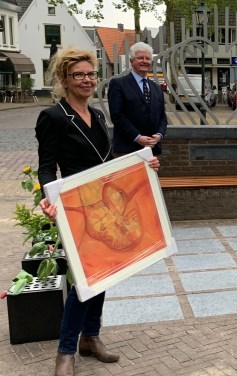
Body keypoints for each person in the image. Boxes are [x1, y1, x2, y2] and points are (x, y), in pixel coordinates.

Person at [36, 47, 160, 376]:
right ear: (64, 79)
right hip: (76, 209)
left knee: (104, 275)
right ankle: (65, 352)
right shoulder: (53, 117)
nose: (87, 80)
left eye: (91, 74)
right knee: (84, 281)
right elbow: (47, 168)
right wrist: (46, 197)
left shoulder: (98, 115)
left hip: (104, 207)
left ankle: (90, 338)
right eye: (79, 75)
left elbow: (105, 163)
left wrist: (144, 166)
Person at [108, 42, 167, 157]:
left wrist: (159, 135)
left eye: (147, 58)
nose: (144, 61)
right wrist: (137, 137)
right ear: (131, 61)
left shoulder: (156, 88)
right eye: (140, 58)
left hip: (152, 150)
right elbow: (117, 116)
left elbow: (162, 117)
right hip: (127, 149)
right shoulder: (118, 84)